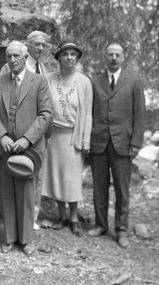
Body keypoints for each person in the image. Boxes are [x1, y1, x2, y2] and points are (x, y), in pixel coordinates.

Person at [0, 41, 52, 256]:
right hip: (4, 149)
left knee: (25, 195)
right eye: (9, 56)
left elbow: (46, 114)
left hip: (28, 150)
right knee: (6, 194)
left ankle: (25, 240)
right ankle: (9, 238)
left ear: (25, 58)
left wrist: (26, 139)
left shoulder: (39, 81)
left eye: (16, 56)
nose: (12, 60)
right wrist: (2, 136)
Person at [88, 42, 146, 248]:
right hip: (99, 143)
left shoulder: (133, 81)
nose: (113, 57)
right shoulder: (94, 82)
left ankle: (122, 230)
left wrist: (136, 143)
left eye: (117, 55)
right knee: (99, 187)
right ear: (106, 57)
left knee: (122, 189)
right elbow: (88, 113)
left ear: (123, 57)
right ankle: (100, 225)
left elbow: (140, 114)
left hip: (123, 143)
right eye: (110, 54)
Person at [0, 30, 51, 231]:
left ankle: (31, 219)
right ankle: (14, 225)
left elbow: (45, 108)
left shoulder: (43, 70)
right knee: (14, 178)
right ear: (27, 47)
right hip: (13, 137)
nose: (40, 48)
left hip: (36, 135)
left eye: (43, 45)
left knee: (34, 179)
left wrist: (36, 134)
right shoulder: (10, 67)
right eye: (36, 44)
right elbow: (4, 99)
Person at [40, 41, 92, 237]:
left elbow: (87, 113)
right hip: (53, 136)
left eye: (73, 54)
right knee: (56, 176)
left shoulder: (84, 82)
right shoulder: (49, 79)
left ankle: (74, 217)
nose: (69, 57)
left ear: (77, 58)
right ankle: (61, 216)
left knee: (72, 178)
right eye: (65, 54)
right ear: (58, 58)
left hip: (73, 137)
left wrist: (86, 140)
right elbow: (44, 107)